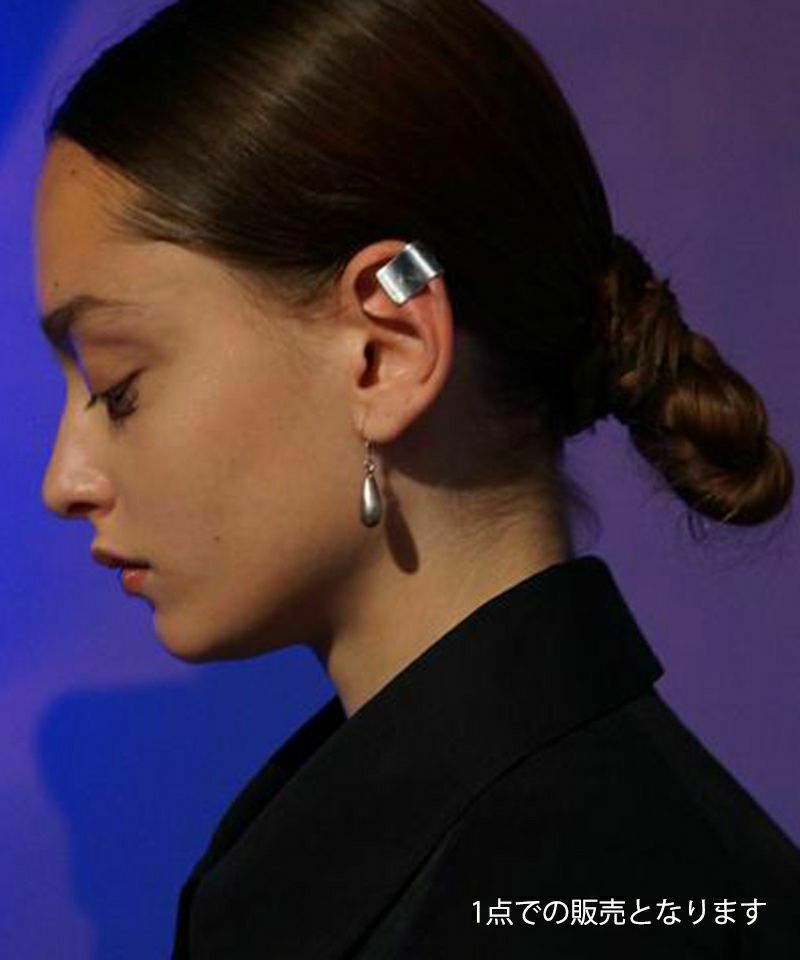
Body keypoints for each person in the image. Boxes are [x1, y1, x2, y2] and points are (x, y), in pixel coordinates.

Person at [34, 0, 799, 956]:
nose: (63, 482)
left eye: (118, 385)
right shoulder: (459, 845)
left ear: (384, 353)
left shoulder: (599, 896)